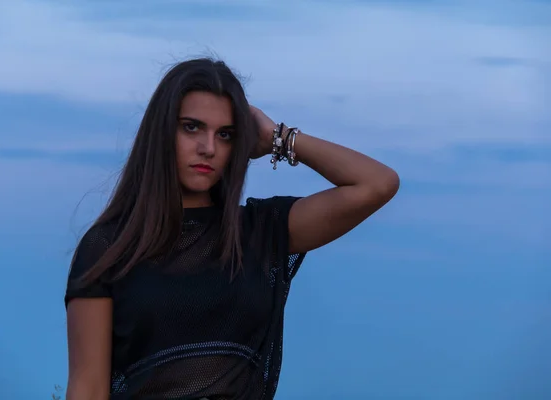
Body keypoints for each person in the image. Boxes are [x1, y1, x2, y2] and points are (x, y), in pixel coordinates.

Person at [64, 58, 400, 400]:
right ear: (161, 132)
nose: (208, 148)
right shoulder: (110, 246)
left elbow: (377, 184)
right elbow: (88, 388)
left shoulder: (259, 232)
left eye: (225, 135)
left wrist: (277, 137)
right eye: (191, 127)